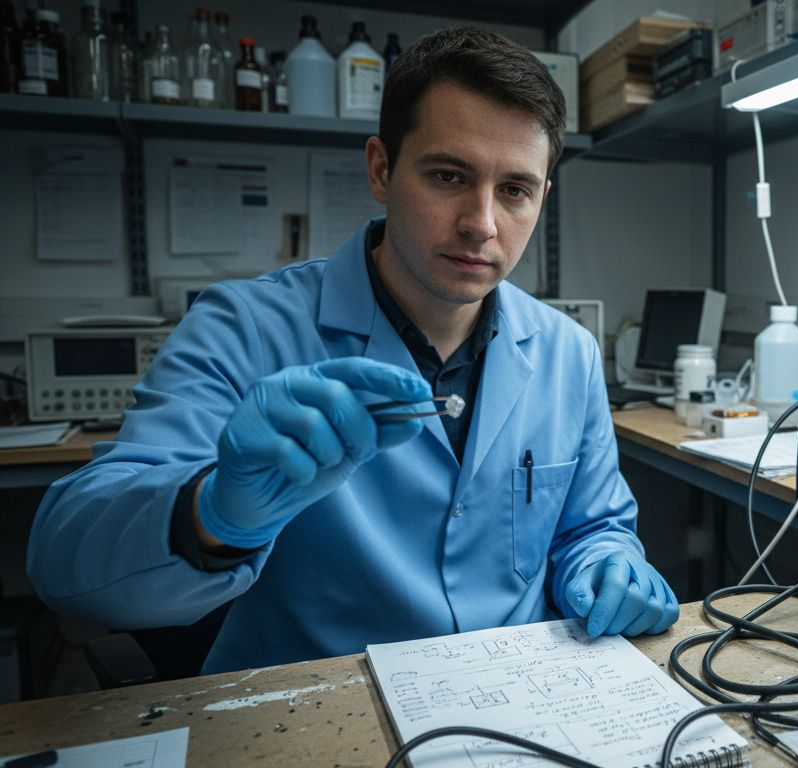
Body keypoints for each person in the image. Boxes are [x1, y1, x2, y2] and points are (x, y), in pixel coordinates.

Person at [27, 27, 679, 674]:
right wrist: (211, 513)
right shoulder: (245, 327)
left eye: (515, 189)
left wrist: (607, 562)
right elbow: (60, 559)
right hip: (317, 707)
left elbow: (595, 525)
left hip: (517, 695)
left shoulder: (569, 352)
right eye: (449, 175)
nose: (482, 223)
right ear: (380, 169)